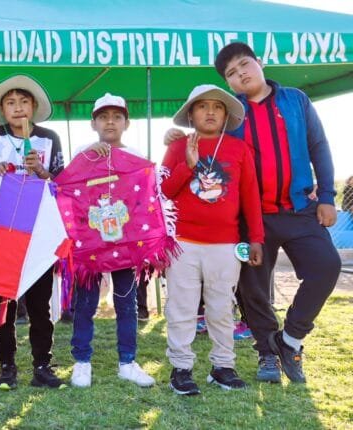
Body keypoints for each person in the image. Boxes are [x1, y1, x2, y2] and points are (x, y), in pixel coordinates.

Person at [170, 42, 342, 384]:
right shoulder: (233, 116)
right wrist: (176, 136)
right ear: (228, 83)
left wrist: (326, 195)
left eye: (244, 65)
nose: (241, 74)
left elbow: (318, 145)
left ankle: (289, 339)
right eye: (231, 74)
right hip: (250, 220)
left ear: (259, 63)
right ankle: (267, 353)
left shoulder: (296, 100)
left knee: (327, 266)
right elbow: (207, 139)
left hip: (299, 209)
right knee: (252, 288)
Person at [161, 84, 264, 395]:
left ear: (226, 114)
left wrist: (256, 238)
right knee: (182, 306)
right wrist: (187, 165)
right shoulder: (178, 147)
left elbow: (250, 198)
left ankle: (223, 366)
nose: (210, 111)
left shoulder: (239, 149)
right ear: (190, 114)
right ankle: (181, 368)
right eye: (202, 106)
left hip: (225, 244)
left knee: (221, 307)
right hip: (183, 242)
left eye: (217, 107)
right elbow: (163, 193)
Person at [0, 74, 65, 389]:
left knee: (40, 303)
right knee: (4, 302)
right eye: (11, 103)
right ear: (3, 110)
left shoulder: (49, 137)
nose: (18, 108)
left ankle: (43, 364)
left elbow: (61, 180)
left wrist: (43, 172)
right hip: (4, 230)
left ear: (34, 106)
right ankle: (6, 365)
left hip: (40, 229)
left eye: (24, 102)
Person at [69, 93, 156, 389]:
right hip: (90, 246)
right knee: (85, 304)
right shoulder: (83, 152)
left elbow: (145, 200)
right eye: (104, 116)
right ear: (93, 122)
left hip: (124, 245)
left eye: (117, 116)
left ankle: (127, 362)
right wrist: (88, 157)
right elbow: (68, 192)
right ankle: (82, 362)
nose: (110, 121)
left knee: (127, 303)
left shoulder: (135, 157)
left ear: (126, 123)